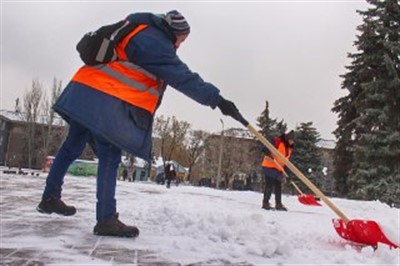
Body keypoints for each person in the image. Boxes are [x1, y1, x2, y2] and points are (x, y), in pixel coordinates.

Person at [36, 10, 244, 238]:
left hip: (87, 89)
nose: (180, 45)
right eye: (181, 40)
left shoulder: (139, 29)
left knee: (72, 146)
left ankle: (50, 198)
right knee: (110, 153)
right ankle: (105, 218)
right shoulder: (153, 42)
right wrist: (218, 100)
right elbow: (182, 77)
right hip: (105, 97)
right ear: (173, 33)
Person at [261, 130, 295, 211]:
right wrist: (268, 151)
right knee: (269, 184)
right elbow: (264, 146)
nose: (291, 142)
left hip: (278, 168)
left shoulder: (289, 149)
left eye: (293, 141)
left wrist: (288, 174)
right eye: (290, 140)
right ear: (287, 138)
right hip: (269, 165)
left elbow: (285, 162)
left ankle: (278, 204)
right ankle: (265, 203)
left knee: (278, 185)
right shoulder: (277, 141)